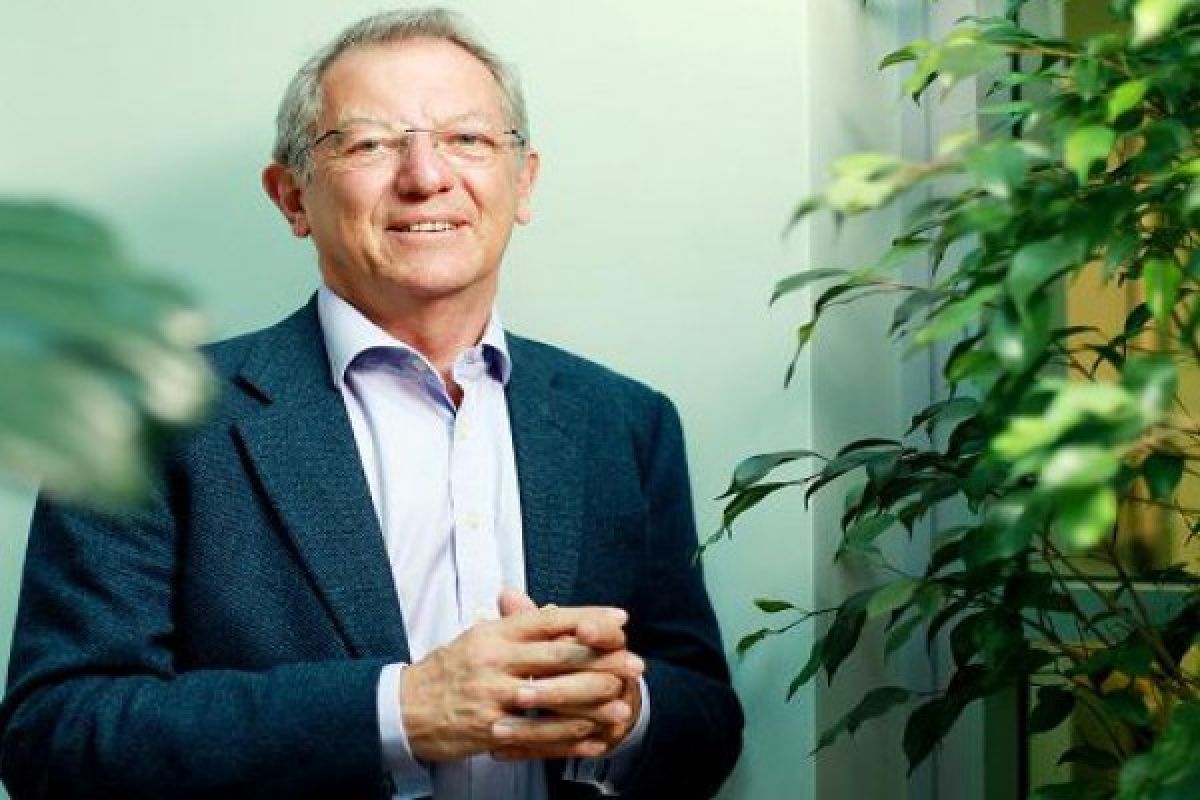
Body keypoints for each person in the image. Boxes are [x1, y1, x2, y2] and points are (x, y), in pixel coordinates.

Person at [0, 8, 742, 799]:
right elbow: (56, 736)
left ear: (523, 182)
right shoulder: (143, 417)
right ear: (292, 197)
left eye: (468, 139)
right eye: (370, 144)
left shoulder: (625, 421)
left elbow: (707, 723)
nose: (426, 176)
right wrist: (401, 711)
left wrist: (624, 712)